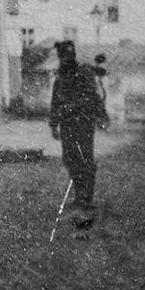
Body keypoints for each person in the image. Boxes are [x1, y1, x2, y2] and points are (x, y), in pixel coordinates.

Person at [50, 39, 110, 226]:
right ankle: (79, 195)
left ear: (73, 55)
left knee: (85, 160)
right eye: (62, 56)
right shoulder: (60, 78)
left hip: (83, 124)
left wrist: (101, 116)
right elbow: (55, 102)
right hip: (67, 126)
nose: (65, 58)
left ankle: (86, 199)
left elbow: (93, 96)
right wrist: (53, 124)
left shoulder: (84, 72)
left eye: (68, 55)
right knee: (70, 159)